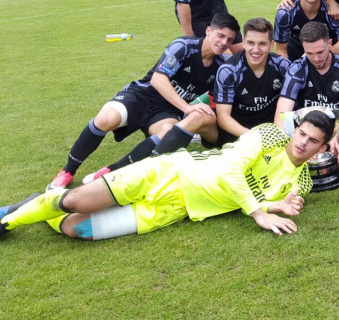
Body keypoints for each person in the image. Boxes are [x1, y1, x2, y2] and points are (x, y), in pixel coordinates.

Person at [1, 112, 334, 241]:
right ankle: (9, 222)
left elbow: (253, 196)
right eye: (302, 134)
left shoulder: (302, 182)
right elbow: (231, 172)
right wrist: (260, 213)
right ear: (295, 130)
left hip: (177, 209)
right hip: (169, 173)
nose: (303, 143)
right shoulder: (269, 136)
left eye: (313, 140)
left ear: (320, 148)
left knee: (78, 228)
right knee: (74, 199)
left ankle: (38, 204)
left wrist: (276, 206)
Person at [46, 14, 240, 191]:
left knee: (167, 133)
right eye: (220, 36)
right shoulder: (183, 45)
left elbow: (224, 98)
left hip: (167, 111)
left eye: (229, 40)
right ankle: (67, 172)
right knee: (106, 118)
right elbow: (158, 79)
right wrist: (188, 108)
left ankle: (110, 172)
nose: (223, 43)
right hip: (142, 95)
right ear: (208, 31)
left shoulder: (221, 66)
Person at [273, 22, 339, 203]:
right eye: (310, 53)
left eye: (320, 52)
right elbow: (283, 113)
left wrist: (332, 140)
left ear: (329, 43)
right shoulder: (297, 68)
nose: (316, 58)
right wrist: (292, 144)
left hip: (331, 132)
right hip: (303, 135)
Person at [212, 18, 291, 145]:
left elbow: (290, 107)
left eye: (262, 44)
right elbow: (223, 118)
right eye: (250, 43)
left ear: (271, 45)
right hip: (238, 134)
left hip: (273, 130)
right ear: (243, 42)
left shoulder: (283, 66)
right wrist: (254, 138)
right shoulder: (228, 71)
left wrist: (281, 135)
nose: (255, 50)